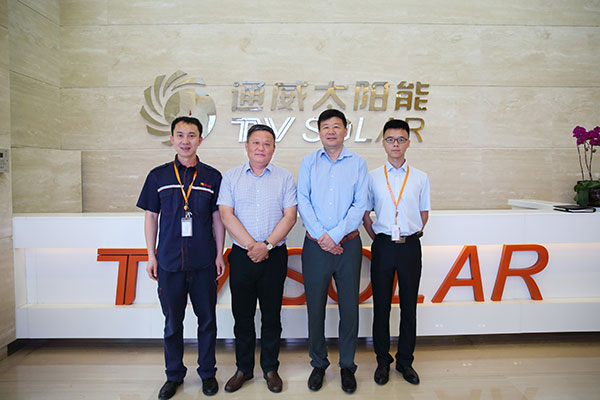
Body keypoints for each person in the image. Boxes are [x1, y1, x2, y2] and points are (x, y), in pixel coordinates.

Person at [137, 116, 225, 399]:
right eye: (180, 135)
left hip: (203, 261)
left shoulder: (213, 177)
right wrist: (151, 255)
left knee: (207, 320)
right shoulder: (158, 176)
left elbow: (218, 219)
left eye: (191, 135)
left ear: (200, 139)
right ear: (172, 139)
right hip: (169, 262)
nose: (186, 141)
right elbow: (151, 217)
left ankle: (207, 373)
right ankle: (173, 375)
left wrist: (219, 254)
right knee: (172, 322)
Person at [217, 124, 297, 393]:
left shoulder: (285, 178)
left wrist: (267, 245)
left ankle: (270, 368)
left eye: (267, 143)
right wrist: (253, 246)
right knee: (242, 315)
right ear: (247, 146)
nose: (261, 148)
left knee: (272, 315)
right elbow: (226, 214)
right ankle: (243, 368)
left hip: (274, 256)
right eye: (256, 143)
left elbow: (290, 216)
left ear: (273, 148)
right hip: (242, 256)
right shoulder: (231, 177)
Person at [297, 109, 368, 394]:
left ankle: (347, 365)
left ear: (345, 131)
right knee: (315, 307)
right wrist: (322, 237)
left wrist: (335, 235)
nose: (331, 131)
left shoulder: (358, 163)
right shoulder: (308, 162)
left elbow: (359, 205)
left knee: (349, 307)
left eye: (336, 126)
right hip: (315, 246)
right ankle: (318, 363)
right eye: (325, 126)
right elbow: (303, 200)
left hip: (348, 244)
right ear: (318, 132)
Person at [362, 119, 430, 386]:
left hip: (410, 247)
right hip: (383, 246)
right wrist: (379, 237)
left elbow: (424, 213)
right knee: (381, 306)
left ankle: (405, 361)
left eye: (401, 139)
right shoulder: (372, 177)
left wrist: (410, 233)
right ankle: (382, 361)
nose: (395, 145)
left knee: (408, 306)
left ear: (408, 143)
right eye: (390, 140)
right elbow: (365, 214)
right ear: (383, 143)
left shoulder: (420, 177)